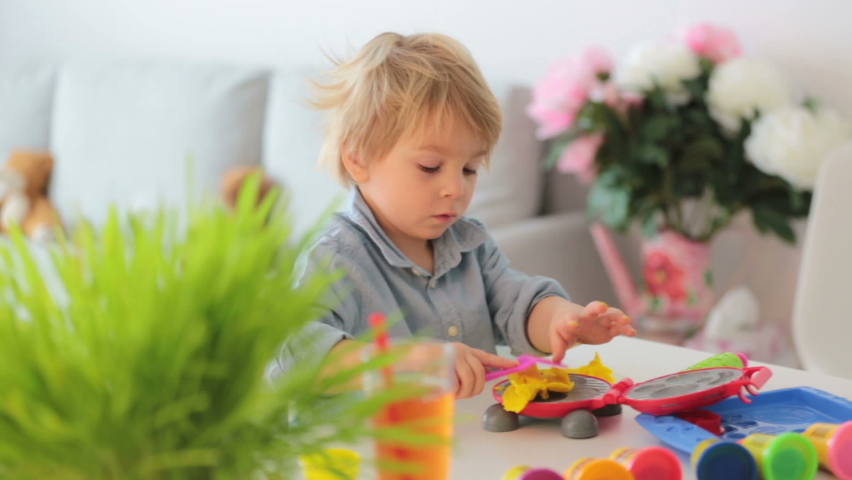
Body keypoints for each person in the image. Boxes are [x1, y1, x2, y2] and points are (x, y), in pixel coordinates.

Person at [272, 32, 635, 398]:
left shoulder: (469, 245)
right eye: (430, 167)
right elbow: (298, 354)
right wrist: (408, 362)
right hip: (363, 450)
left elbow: (517, 303)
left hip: (469, 440)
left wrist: (561, 319)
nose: (456, 189)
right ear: (358, 157)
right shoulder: (333, 257)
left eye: (469, 169)